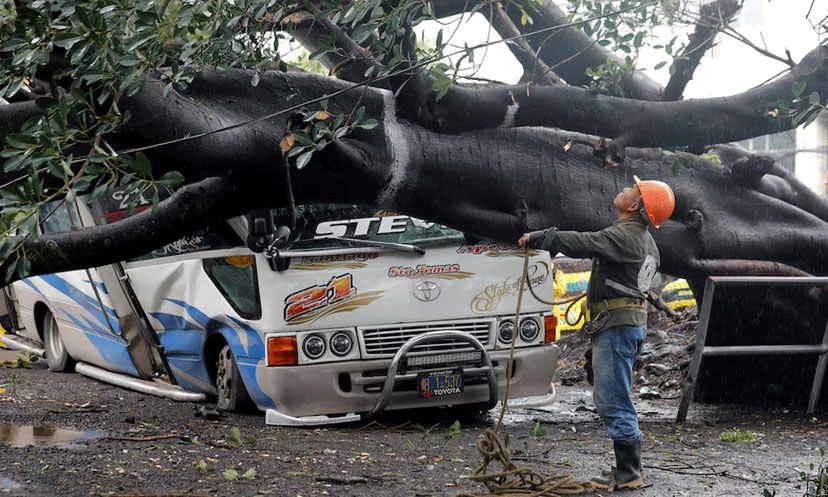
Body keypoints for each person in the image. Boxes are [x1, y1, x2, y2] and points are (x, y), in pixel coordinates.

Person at [518, 175, 675, 492]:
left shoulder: (624, 236)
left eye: (632, 190)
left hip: (617, 327)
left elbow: (584, 242)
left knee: (612, 399)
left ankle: (629, 472)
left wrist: (540, 237)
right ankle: (629, 467)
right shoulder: (646, 241)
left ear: (634, 205)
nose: (624, 189)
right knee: (615, 395)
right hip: (625, 323)